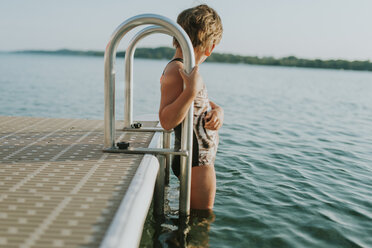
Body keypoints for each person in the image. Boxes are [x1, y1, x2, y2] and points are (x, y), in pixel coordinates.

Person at [159, 4, 224, 210]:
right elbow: (166, 120)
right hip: (198, 163)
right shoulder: (177, 70)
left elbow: (198, 103)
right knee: (200, 224)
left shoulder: (186, 68)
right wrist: (189, 91)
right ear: (211, 47)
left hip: (197, 160)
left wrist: (217, 109)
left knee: (194, 221)